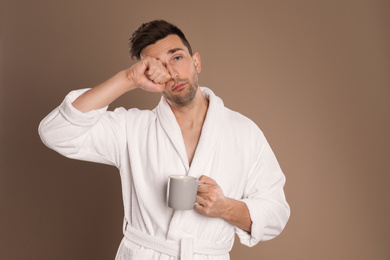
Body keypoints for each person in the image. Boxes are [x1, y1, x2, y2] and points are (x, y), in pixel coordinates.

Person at [38, 20, 290, 260]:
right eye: (157, 65)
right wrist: (128, 80)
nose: (172, 73)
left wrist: (226, 208)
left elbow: (276, 213)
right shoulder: (133, 128)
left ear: (196, 62)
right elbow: (56, 132)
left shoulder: (243, 131)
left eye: (177, 57)